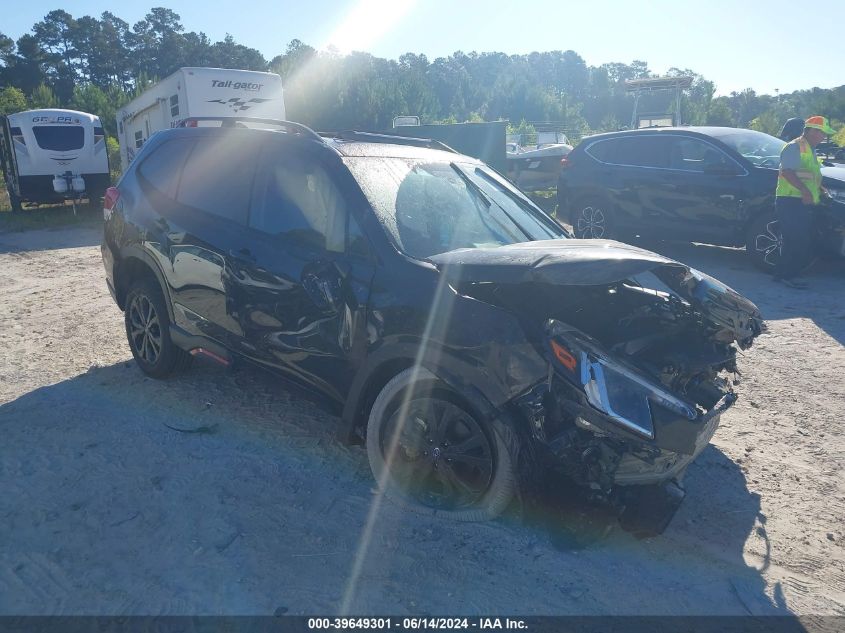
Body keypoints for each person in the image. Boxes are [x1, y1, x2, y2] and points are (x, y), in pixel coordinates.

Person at [773, 115, 837, 288]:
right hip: (790, 200)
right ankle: (787, 275)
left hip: (800, 201)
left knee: (798, 239)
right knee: (795, 239)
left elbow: (810, 175)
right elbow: (787, 172)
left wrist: (820, 189)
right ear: (811, 131)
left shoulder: (810, 148)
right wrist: (805, 191)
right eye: (822, 133)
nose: (824, 137)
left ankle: (785, 274)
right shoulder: (794, 147)